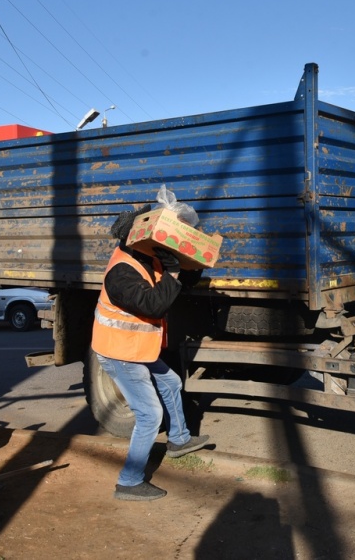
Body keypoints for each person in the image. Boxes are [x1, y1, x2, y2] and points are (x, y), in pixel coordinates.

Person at [92, 205, 211, 501]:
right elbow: (155, 305)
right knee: (149, 414)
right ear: (138, 236)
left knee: (170, 383)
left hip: (137, 348)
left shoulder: (147, 256)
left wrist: (189, 265)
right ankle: (129, 481)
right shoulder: (120, 273)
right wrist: (173, 271)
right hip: (118, 352)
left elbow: (178, 286)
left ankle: (179, 440)